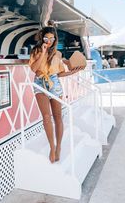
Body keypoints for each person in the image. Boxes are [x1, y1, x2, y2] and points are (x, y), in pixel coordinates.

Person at [29, 22, 82, 163]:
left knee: (58, 117)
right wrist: (43, 51)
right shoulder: (36, 51)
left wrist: (71, 73)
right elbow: (34, 69)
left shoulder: (57, 54)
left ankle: (59, 146)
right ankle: (52, 147)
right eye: (47, 38)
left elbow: (59, 74)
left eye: (52, 38)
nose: (50, 41)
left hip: (54, 84)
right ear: (42, 38)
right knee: (46, 117)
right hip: (40, 83)